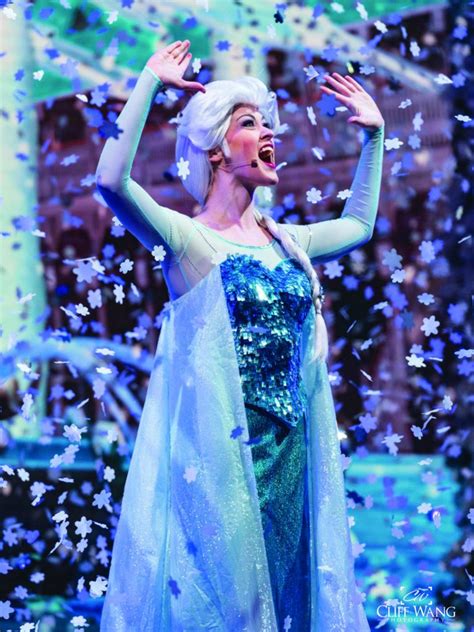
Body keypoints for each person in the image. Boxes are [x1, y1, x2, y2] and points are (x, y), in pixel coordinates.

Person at [96, 39, 384, 631]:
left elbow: (358, 224)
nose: (268, 131)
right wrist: (149, 81)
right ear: (217, 149)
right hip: (223, 457)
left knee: (289, 601)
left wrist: (375, 137)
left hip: (293, 452)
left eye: (266, 123)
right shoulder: (188, 240)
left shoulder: (288, 242)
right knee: (228, 607)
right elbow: (111, 182)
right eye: (249, 123)